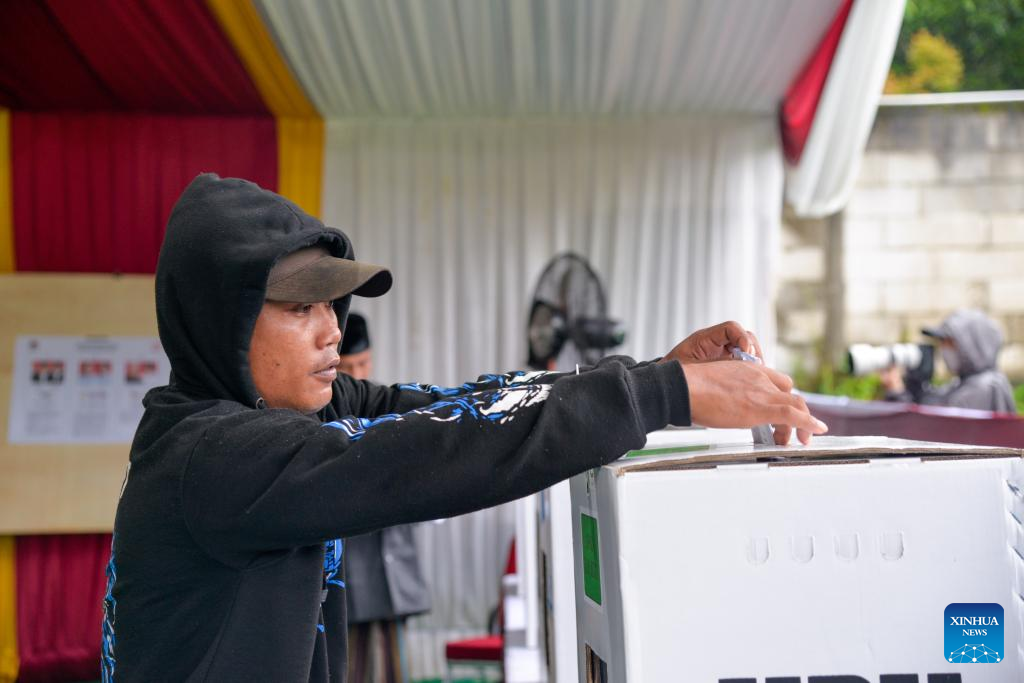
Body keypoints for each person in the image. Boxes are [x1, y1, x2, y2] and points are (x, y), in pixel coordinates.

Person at [101, 174, 826, 682]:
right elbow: (432, 453)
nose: (333, 330)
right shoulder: (213, 456)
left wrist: (652, 372)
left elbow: (462, 410)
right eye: (300, 308)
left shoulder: (291, 413)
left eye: (332, 305)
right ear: (222, 323)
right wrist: (661, 395)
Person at [338, 313, 429, 683]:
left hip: (394, 563)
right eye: (347, 367)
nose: (357, 375)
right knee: (351, 669)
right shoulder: (324, 413)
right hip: (351, 572)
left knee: (394, 668)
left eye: (363, 363)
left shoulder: (386, 405)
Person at [881, 309, 1017, 413]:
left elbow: (936, 428)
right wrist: (914, 384)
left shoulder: (983, 387)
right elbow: (931, 401)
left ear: (973, 346)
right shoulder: (964, 382)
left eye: (950, 343)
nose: (943, 349)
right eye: (942, 342)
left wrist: (897, 393)